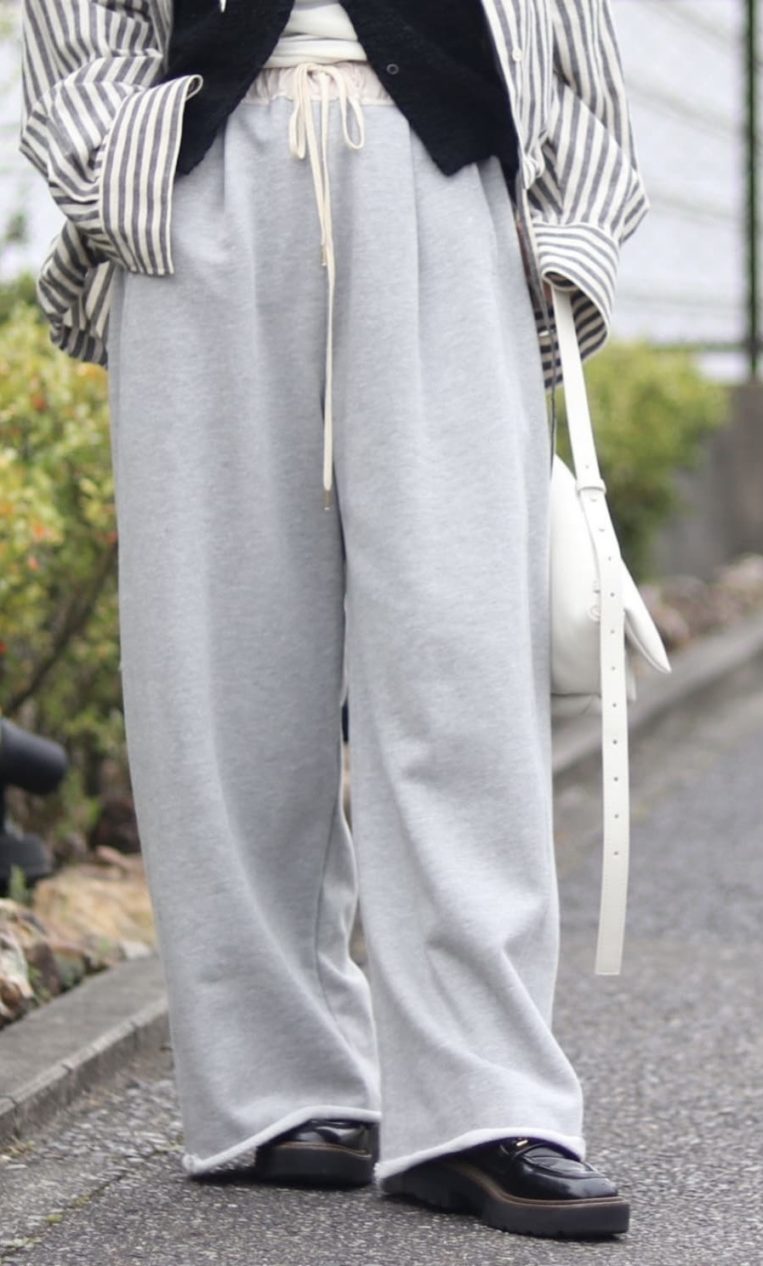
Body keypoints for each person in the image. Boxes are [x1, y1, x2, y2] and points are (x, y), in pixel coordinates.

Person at [19, 0, 649, 1241]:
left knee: (462, 664)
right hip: (203, 187)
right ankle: (275, 1087)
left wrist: (568, 229)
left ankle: (484, 1103)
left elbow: (579, 50)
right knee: (220, 666)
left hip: (446, 179)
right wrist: (122, 164)